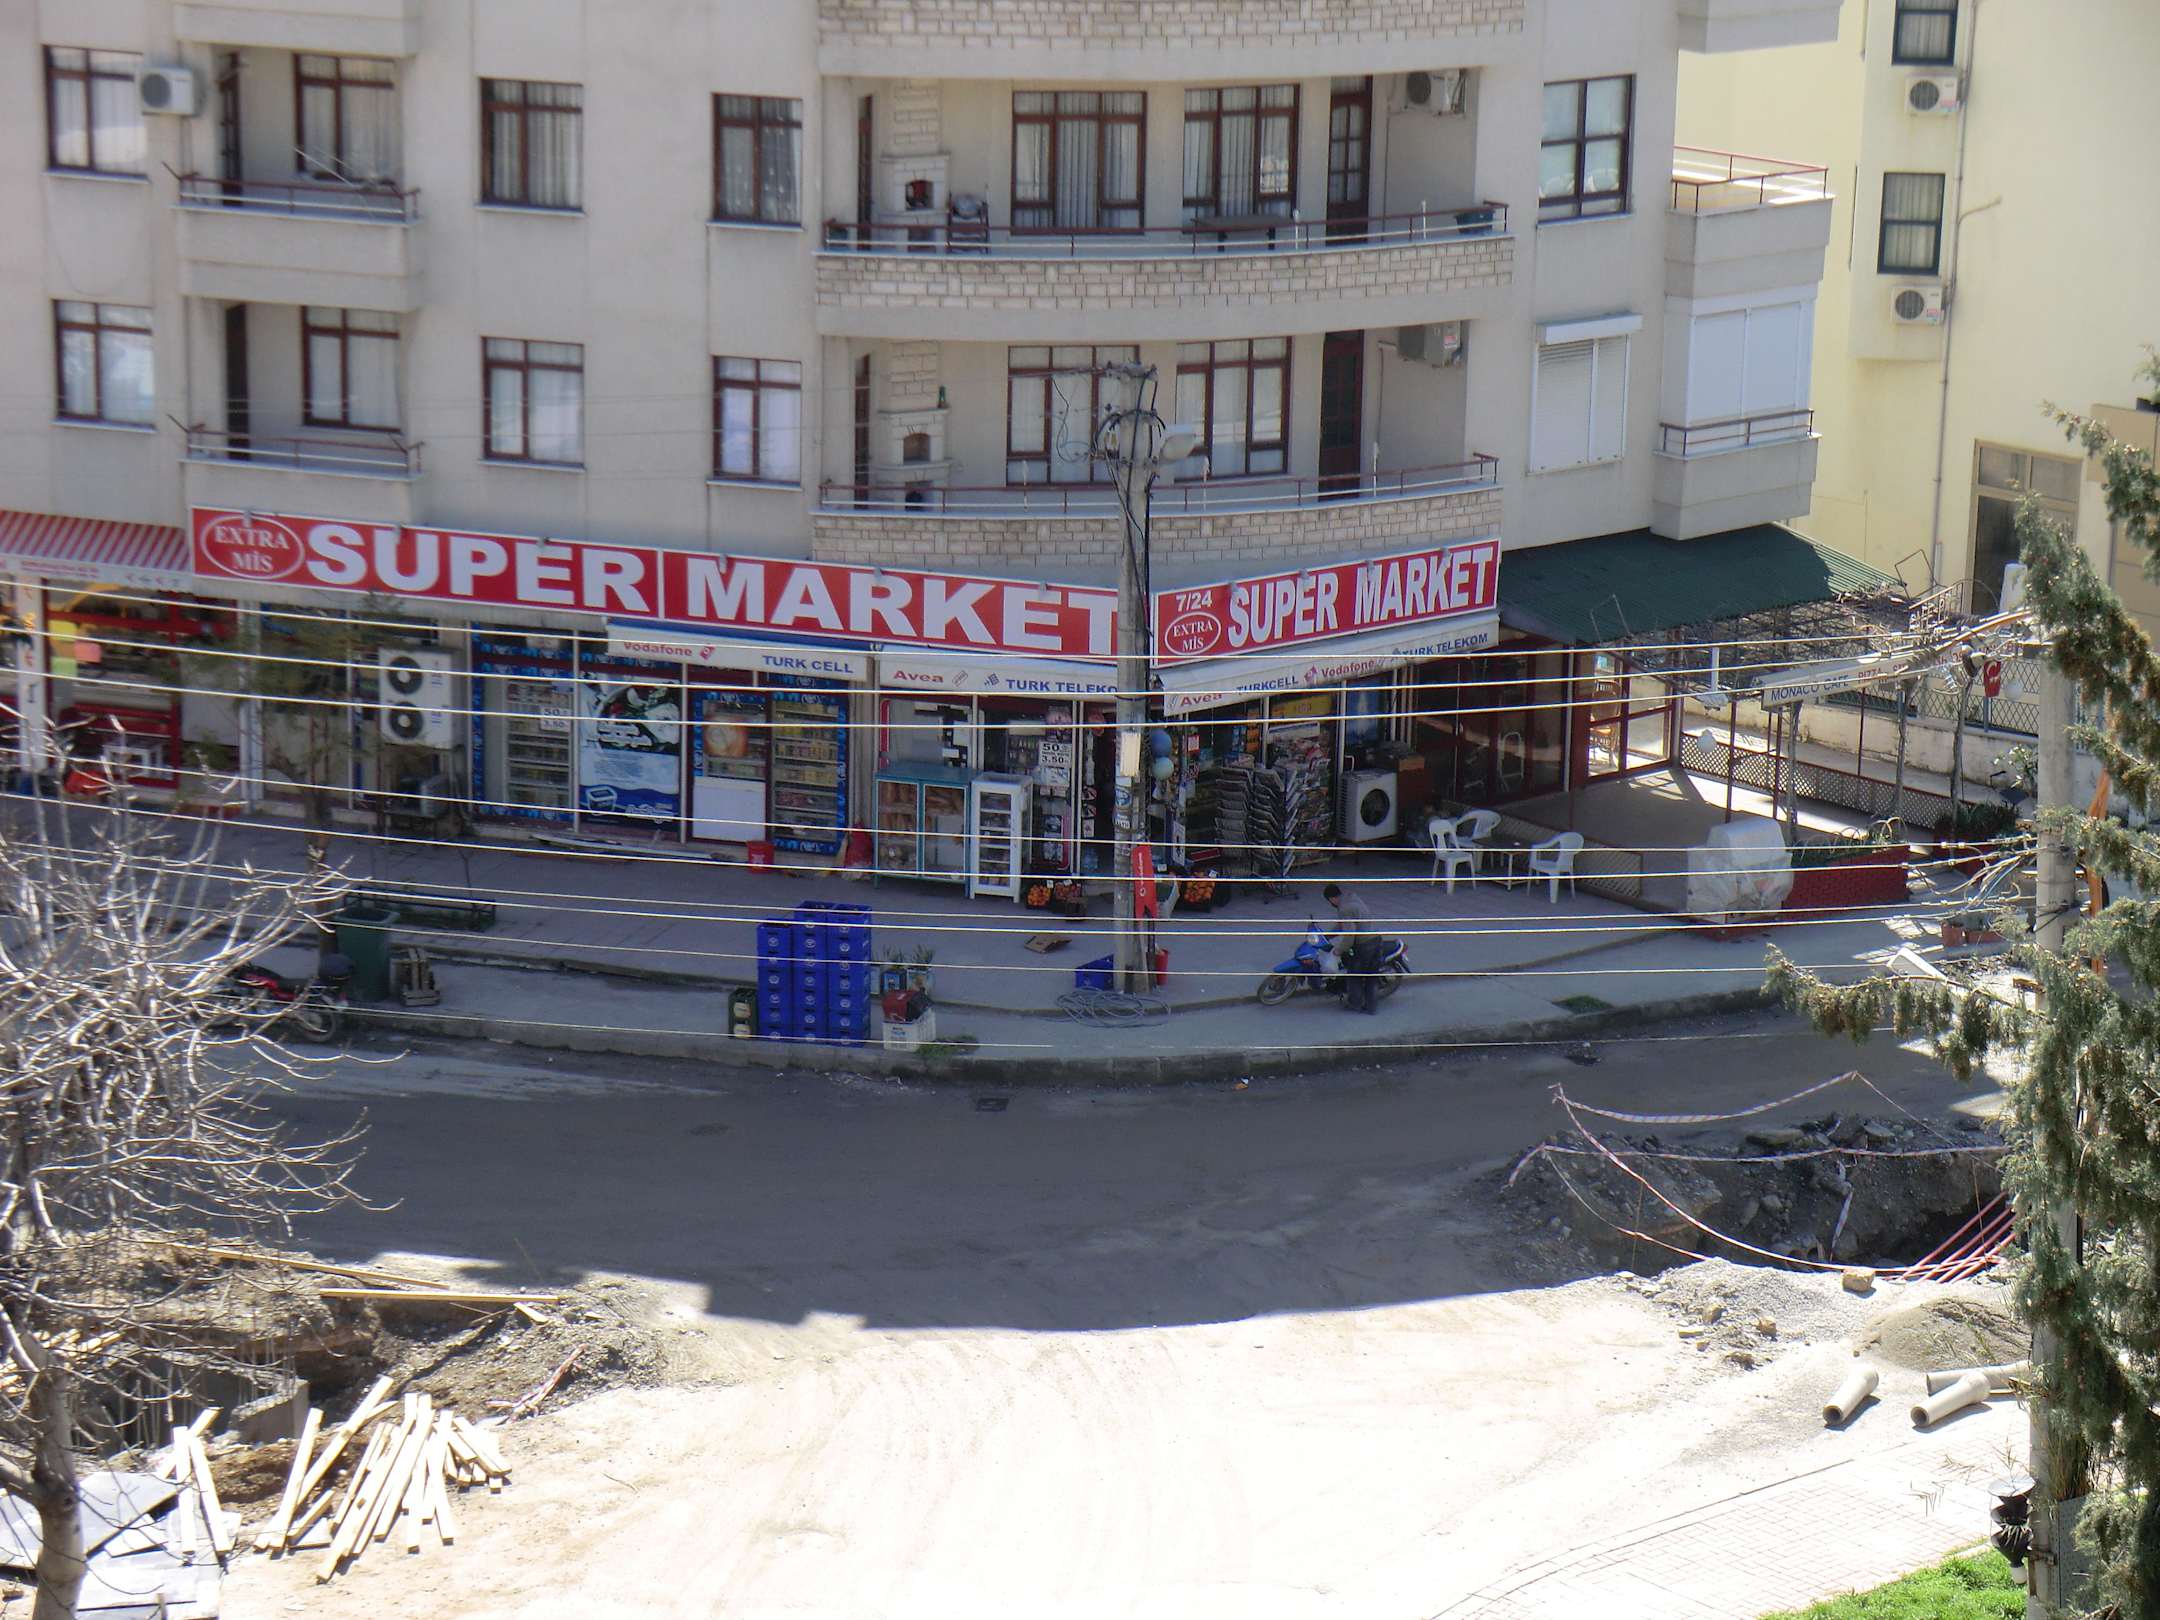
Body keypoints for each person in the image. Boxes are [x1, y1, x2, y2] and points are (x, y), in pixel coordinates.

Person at [1323, 882, 1379, 1014]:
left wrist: (1338, 950)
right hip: (1375, 939)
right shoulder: (1352, 898)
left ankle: (1355, 1004)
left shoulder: (1344, 909)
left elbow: (1349, 936)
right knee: (1371, 977)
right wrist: (1327, 936)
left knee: (1353, 976)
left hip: (1364, 945)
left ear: (1332, 898)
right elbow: (1343, 925)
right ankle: (1371, 1008)